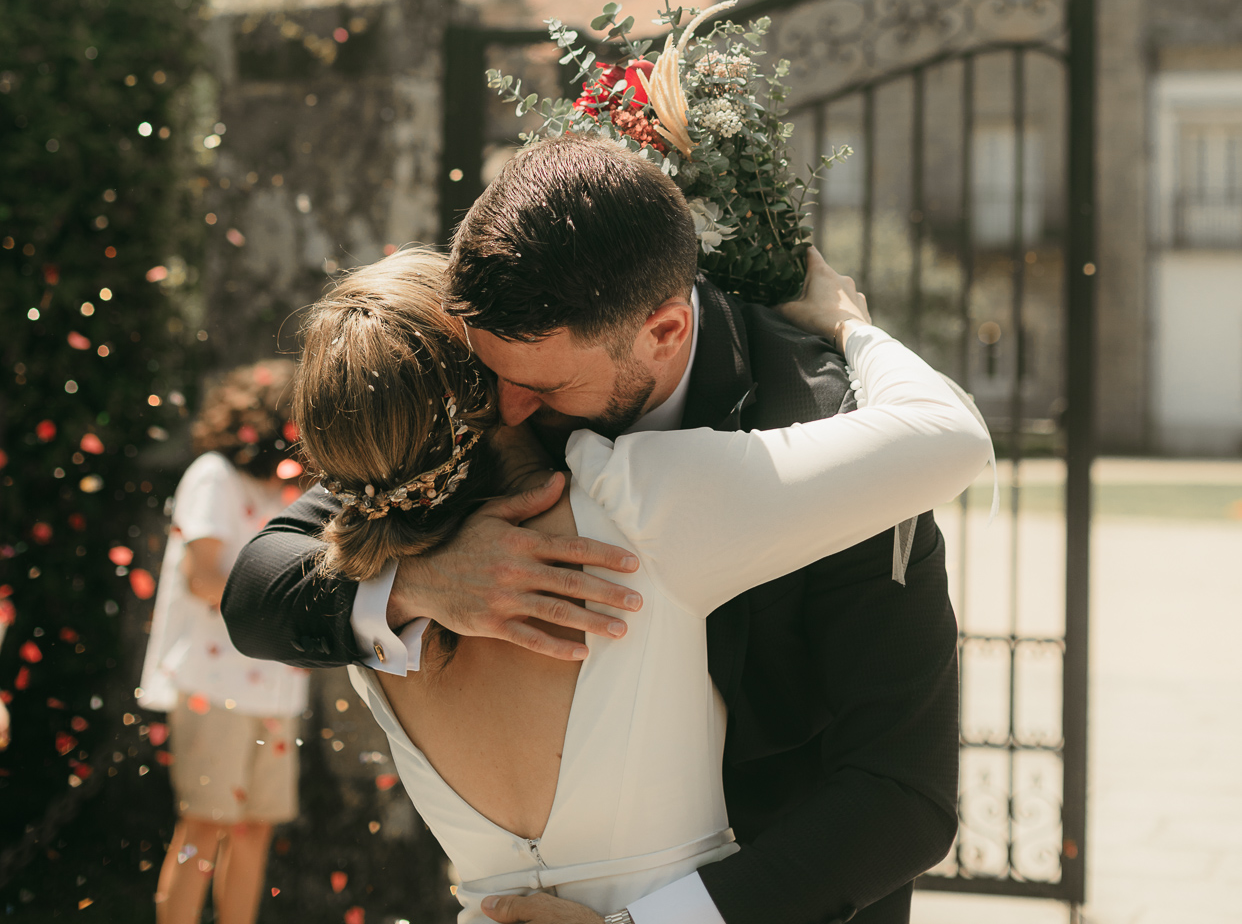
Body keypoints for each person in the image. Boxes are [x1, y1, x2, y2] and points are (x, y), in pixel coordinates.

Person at [224, 140, 978, 923]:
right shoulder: (467, 424)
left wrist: (850, 332)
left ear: (663, 331)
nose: (512, 408)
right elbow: (258, 586)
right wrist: (420, 584)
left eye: (537, 385)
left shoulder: (826, 429)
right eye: (492, 380)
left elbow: (899, 795)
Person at [138, 360, 309, 924]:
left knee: (254, 830)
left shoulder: (292, 490)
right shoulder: (213, 475)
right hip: (214, 686)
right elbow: (203, 577)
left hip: (276, 689)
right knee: (205, 827)